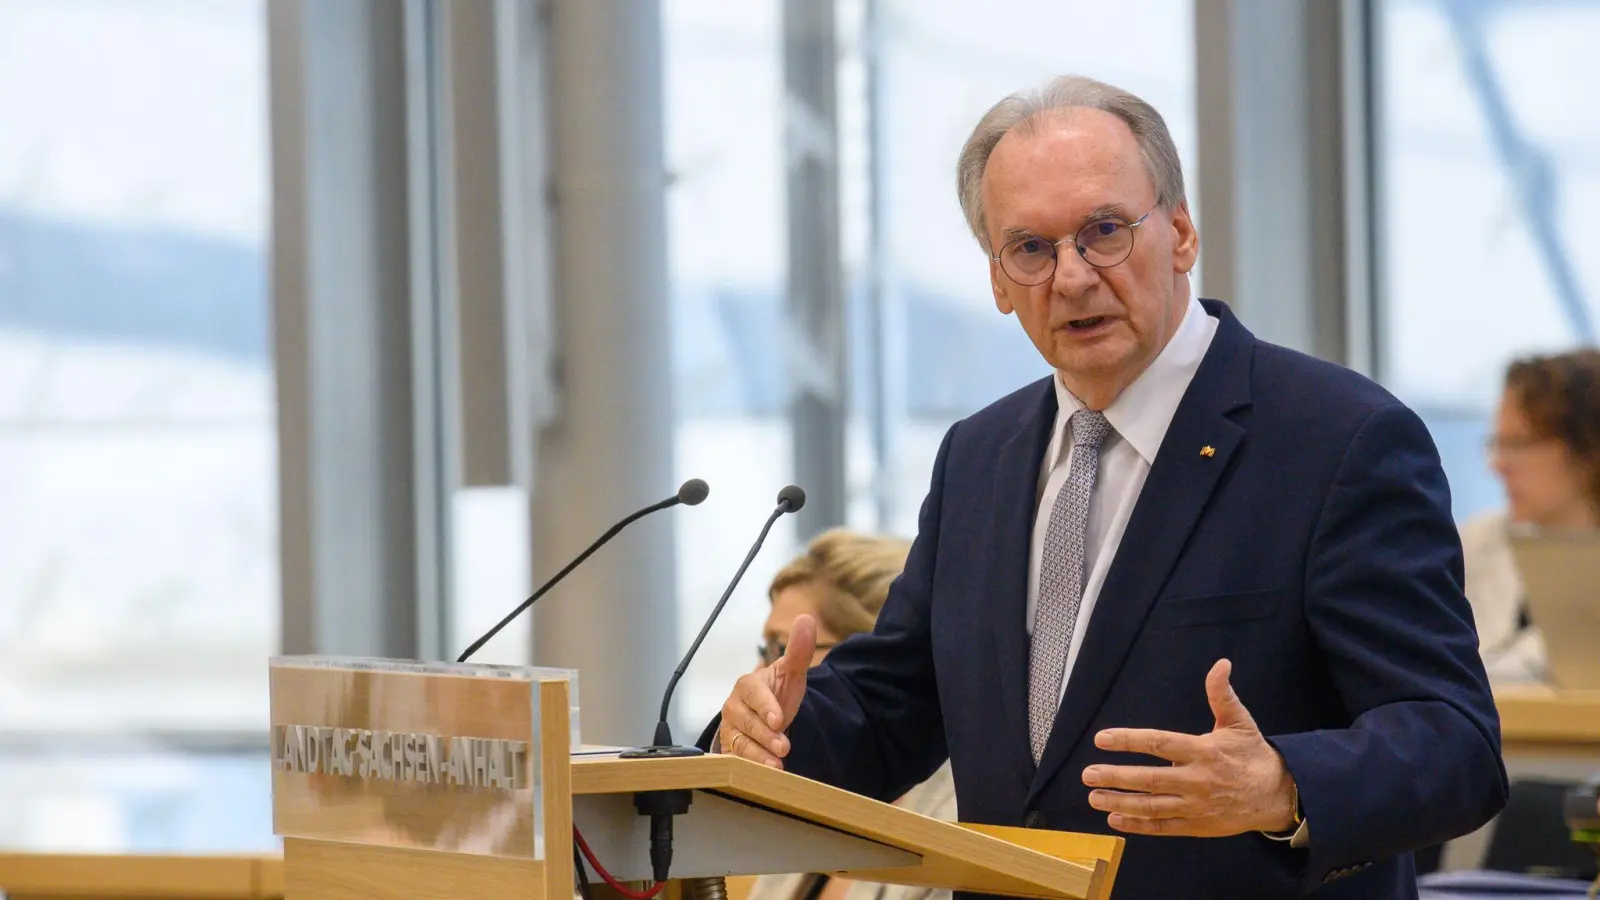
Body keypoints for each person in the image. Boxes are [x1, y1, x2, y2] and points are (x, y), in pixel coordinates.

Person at [711, 75, 1508, 898]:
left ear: (1182, 232)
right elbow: (902, 702)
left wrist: (1283, 784)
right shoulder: (978, 456)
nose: (1072, 276)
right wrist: (775, 730)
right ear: (996, 279)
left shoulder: (1337, 438)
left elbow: (1456, 744)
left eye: (1104, 231)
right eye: (1031, 249)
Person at [744, 529, 956, 900]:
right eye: (766, 648)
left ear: (871, 660)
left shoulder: (958, 814)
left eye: (783, 647)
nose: (764, 671)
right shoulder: (804, 807)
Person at [1461, 349, 1600, 683]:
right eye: (1497, 443)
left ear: (1585, 449)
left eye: (1519, 444)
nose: (1498, 465)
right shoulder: (1475, 542)